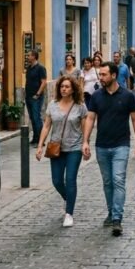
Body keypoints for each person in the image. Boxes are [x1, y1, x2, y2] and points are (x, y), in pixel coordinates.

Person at [81, 61, 135, 237]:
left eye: (104, 75)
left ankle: (117, 218)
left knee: (118, 180)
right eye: (100, 74)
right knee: (107, 182)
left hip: (121, 144)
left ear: (114, 75)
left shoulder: (128, 96)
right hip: (102, 145)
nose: (100, 78)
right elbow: (90, 119)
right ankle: (111, 212)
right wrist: (85, 141)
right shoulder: (96, 96)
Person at [35, 75, 88, 227]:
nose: (64, 89)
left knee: (70, 179)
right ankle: (67, 198)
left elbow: (85, 126)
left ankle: (69, 213)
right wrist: (40, 145)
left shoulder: (80, 106)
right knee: (57, 180)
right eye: (62, 86)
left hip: (74, 148)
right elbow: (46, 126)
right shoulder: (52, 105)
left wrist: (85, 143)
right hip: (56, 147)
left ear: (73, 89)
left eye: (67, 87)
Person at [25, 50, 47, 146]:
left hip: (36, 96)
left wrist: (38, 94)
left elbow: (44, 82)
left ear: (34, 56)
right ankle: (35, 137)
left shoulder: (40, 68)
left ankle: (41, 140)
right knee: (32, 118)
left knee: (36, 117)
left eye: (29, 55)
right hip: (28, 95)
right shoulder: (29, 68)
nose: (27, 57)